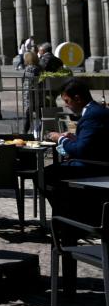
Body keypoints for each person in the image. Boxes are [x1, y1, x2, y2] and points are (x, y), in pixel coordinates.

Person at [44, 78, 109, 223]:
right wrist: (75, 139)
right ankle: (70, 216)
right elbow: (92, 142)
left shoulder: (92, 115)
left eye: (67, 101)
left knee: (45, 175)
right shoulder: (96, 110)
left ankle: (69, 218)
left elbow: (80, 150)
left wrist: (60, 139)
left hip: (93, 167)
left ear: (78, 99)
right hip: (95, 161)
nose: (66, 105)